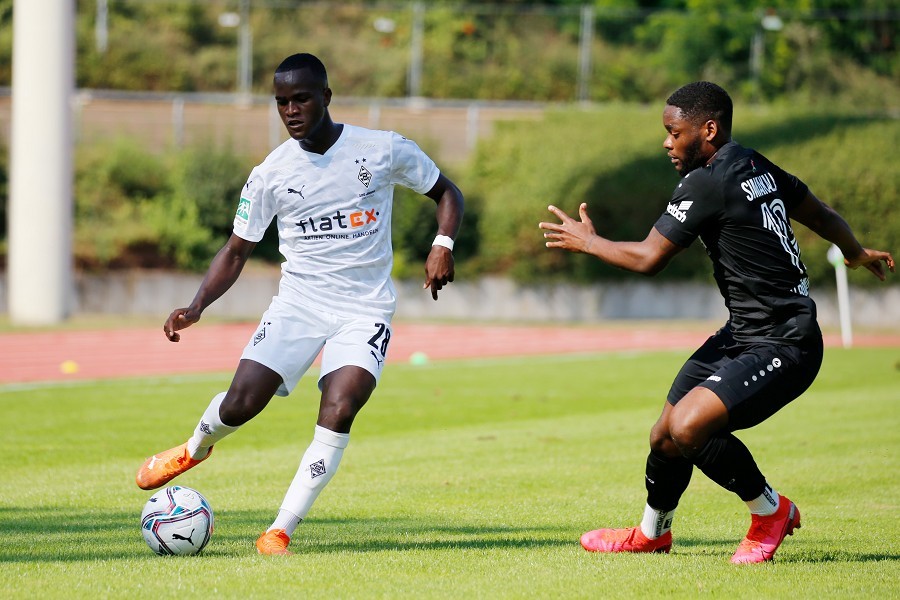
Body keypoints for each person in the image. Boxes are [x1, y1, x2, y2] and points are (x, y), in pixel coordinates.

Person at [539, 81, 894, 564]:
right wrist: (855, 252)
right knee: (664, 434)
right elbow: (819, 211)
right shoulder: (753, 164)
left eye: (674, 131)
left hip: (786, 342)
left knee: (688, 428)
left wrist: (589, 242)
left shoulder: (708, 181)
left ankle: (771, 512)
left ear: (708, 129)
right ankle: (652, 533)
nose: (667, 142)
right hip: (743, 334)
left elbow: (648, 258)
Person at [135, 53, 464, 555]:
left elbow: (447, 193)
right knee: (242, 403)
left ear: (326, 97)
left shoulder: (381, 150)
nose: (291, 110)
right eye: (281, 102)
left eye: (301, 98)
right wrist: (197, 305)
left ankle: (279, 529)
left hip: (365, 309)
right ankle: (194, 449)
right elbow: (237, 248)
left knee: (340, 406)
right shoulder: (270, 173)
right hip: (298, 305)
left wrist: (443, 244)